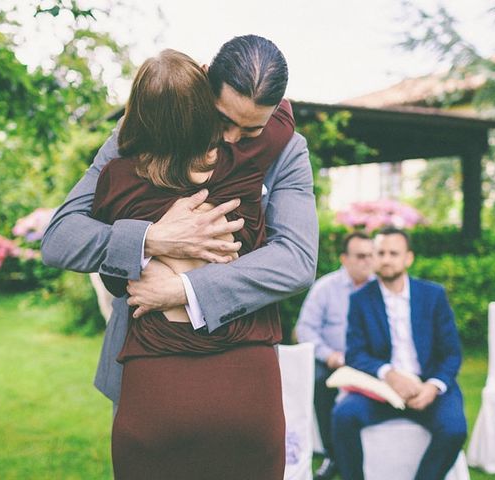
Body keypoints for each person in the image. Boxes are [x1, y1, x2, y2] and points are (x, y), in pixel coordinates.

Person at [41, 35, 317, 403]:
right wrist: (154, 238)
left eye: (252, 131)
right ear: (204, 79)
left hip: (242, 362)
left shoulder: (288, 149)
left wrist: (186, 290)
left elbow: (297, 260)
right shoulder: (147, 125)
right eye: (222, 119)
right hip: (146, 362)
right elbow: (61, 237)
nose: (233, 139)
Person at [90, 47, 297, 479]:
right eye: (225, 122)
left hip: (157, 385)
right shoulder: (244, 166)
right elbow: (283, 119)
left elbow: (114, 280)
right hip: (245, 383)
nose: (236, 136)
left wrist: (151, 250)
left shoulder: (116, 181)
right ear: (205, 101)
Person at [331, 227, 467, 480]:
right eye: (380, 252)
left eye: (394, 253)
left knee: (454, 429)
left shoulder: (433, 295)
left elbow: (451, 354)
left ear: (408, 258)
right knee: (343, 415)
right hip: (382, 389)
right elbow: (355, 354)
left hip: (427, 387)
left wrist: (433, 387)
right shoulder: (361, 299)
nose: (386, 259)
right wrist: (389, 375)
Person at [295, 232, 374, 480]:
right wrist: (329, 355)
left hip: (371, 361)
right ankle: (333, 454)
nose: (367, 262)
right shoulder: (325, 288)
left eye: (371, 255)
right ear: (344, 258)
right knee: (321, 382)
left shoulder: (380, 288)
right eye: (361, 256)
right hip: (334, 360)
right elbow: (304, 329)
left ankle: (376, 449)